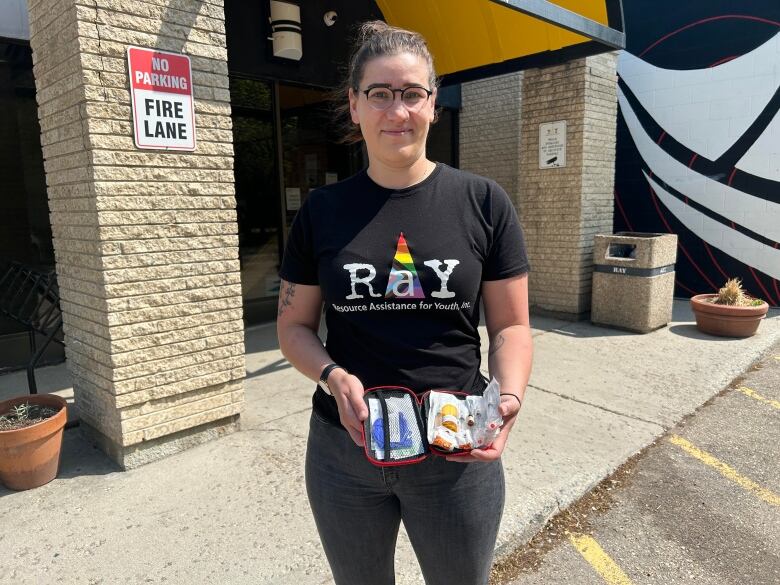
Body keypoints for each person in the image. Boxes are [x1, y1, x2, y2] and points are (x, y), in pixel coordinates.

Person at [276, 21, 533, 585]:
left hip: (456, 448)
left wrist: (508, 396)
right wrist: (331, 376)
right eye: (380, 93)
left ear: (433, 105)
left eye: (412, 93)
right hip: (346, 452)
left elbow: (511, 325)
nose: (398, 109)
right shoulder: (322, 211)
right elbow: (294, 326)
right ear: (355, 104)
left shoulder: (484, 202)